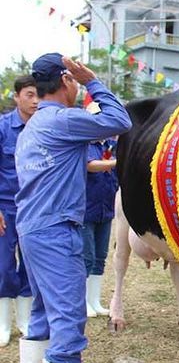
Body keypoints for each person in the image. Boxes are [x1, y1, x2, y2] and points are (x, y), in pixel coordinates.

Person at [15, 53, 131, 363]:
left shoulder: (33, 126)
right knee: (68, 308)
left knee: (43, 306)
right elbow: (119, 120)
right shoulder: (62, 120)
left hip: (31, 226)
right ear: (66, 80)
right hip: (55, 228)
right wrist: (94, 81)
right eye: (75, 77)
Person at [0, 76, 38, 347]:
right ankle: (3, 324)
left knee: (29, 265)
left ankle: (24, 320)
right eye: (29, 94)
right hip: (6, 207)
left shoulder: (41, 129)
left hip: (34, 207)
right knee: (3, 266)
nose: (35, 100)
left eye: (38, 95)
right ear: (16, 97)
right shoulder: (3, 128)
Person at [81, 102, 118, 318]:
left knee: (100, 257)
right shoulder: (84, 144)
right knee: (86, 257)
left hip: (106, 209)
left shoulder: (110, 145)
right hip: (86, 209)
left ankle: (94, 301)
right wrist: (116, 163)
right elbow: (90, 165)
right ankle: (83, 301)